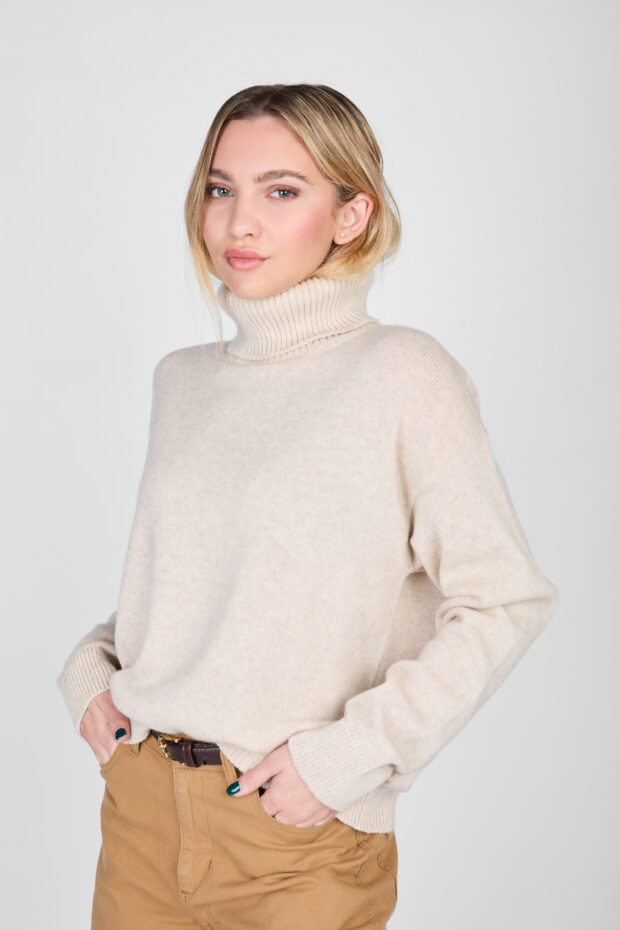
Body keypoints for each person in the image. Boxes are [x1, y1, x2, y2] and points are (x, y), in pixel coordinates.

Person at [57, 83, 558, 930]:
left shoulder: (404, 374)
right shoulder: (183, 381)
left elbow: (506, 600)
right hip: (140, 818)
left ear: (352, 215)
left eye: (282, 191)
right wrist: (91, 669)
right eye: (221, 188)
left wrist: (347, 759)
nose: (239, 222)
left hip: (294, 840)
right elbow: (202, 592)